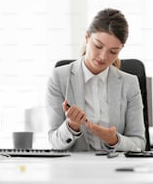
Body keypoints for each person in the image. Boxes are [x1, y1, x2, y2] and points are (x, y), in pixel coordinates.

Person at [46, 8, 146, 152]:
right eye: (98, 46)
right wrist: (71, 126)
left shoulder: (129, 83)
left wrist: (113, 140)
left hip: (116, 169)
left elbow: (139, 143)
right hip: (74, 170)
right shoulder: (59, 78)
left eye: (113, 52)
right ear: (86, 37)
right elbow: (54, 143)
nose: (103, 57)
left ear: (121, 49)